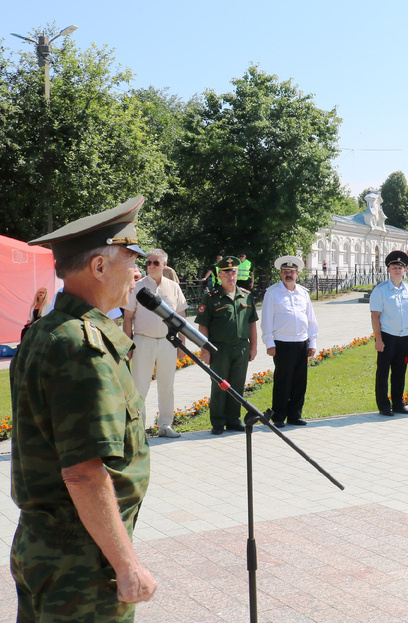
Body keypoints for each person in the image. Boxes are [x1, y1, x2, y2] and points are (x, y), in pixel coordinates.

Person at [12, 197, 157, 619]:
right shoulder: (81, 347)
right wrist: (127, 566)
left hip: (51, 549)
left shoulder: (48, 332)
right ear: (98, 267)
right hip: (80, 563)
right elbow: (83, 471)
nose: (136, 273)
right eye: (131, 260)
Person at [122, 248, 188, 438]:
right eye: (148, 262)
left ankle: (165, 425)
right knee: (139, 387)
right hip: (143, 341)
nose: (151, 266)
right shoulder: (137, 286)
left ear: (164, 265)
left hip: (168, 342)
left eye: (155, 263)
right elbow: (128, 317)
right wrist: (128, 345)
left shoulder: (173, 287)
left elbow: (181, 316)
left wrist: (181, 344)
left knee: (167, 386)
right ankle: (138, 429)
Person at [197, 256, 259, 434]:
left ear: (237, 273)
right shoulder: (211, 298)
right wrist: (205, 350)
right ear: (219, 275)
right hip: (219, 348)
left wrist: (253, 347)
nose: (230, 276)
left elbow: (252, 323)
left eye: (233, 272)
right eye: (226, 273)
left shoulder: (245, 296)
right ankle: (217, 421)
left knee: (237, 385)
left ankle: (233, 419)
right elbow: (203, 326)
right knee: (219, 385)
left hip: (241, 347)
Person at [261, 255, 319, 427]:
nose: (289, 275)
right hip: (282, 343)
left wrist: (312, 342)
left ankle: (295, 415)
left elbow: (311, 320)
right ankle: (279, 416)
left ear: (297, 274)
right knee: (283, 381)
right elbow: (266, 320)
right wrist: (269, 343)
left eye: (292, 272)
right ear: (280, 274)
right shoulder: (272, 293)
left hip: (301, 342)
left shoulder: (303, 293)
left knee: (299, 381)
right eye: (285, 272)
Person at [370, 250, 408, 416]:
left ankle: (398, 403)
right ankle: (384, 405)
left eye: (400, 267)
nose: (397, 269)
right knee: (383, 372)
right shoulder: (380, 290)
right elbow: (375, 316)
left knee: (400, 371)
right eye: (394, 266)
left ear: (405, 270)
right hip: (387, 336)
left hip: (404, 337)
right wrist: (378, 339)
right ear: (388, 269)